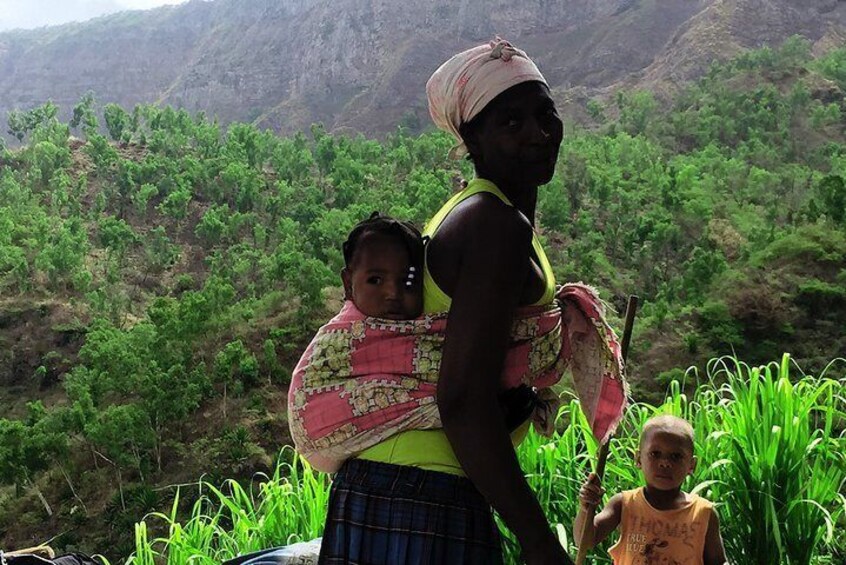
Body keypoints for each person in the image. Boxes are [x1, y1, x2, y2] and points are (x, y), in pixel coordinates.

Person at [317, 37, 575, 565]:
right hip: (425, 495)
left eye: (545, 114)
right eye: (511, 121)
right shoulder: (493, 224)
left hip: (384, 485)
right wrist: (538, 540)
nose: (538, 132)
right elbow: (461, 400)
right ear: (472, 139)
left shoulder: (471, 211)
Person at [573, 415, 728, 565]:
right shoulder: (624, 504)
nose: (665, 463)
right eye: (655, 454)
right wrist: (586, 508)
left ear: (691, 465)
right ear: (639, 459)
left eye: (676, 456)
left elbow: (718, 562)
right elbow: (584, 542)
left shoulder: (703, 513)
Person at [340, 211, 424, 320]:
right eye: (375, 280)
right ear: (348, 284)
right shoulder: (336, 335)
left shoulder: (440, 325)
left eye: (407, 281)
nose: (393, 294)